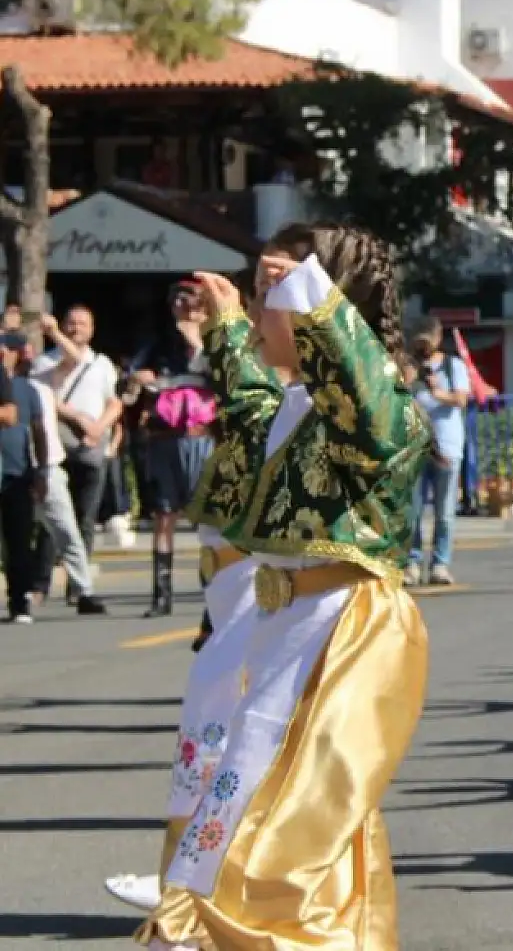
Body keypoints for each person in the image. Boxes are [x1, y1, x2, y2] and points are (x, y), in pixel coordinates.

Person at [139, 223, 431, 951]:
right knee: (252, 816)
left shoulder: (379, 404)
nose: (267, 302)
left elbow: (357, 391)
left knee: (276, 837)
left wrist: (305, 297)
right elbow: (251, 399)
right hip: (287, 626)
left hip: (346, 633)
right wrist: (233, 318)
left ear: (319, 312)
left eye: (279, 293)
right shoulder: (296, 409)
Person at [104, 295, 278, 915]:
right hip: (232, 616)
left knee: (249, 753)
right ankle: (190, 882)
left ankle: (213, 892)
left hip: (276, 625)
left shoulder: (290, 408)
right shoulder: (237, 434)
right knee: (210, 744)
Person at [129, 283, 216, 617]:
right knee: (163, 516)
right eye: (176, 299)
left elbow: (224, 375)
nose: (182, 304)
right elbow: (133, 379)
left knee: (208, 521)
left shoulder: (215, 339)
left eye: (189, 298)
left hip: (203, 439)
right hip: (165, 439)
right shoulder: (159, 343)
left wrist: (196, 340)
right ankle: (161, 594)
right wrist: (139, 379)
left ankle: (212, 593)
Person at [38, 307, 123, 586]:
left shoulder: (102, 363)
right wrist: (76, 418)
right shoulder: (46, 362)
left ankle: (79, 585)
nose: (76, 329)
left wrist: (98, 428)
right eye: (71, 323)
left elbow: (114, 402)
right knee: (54, 521)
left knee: (85, 519)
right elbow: (46, 398)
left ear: (93, 329)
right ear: (62, 326)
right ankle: (42, 583)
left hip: (92, 447)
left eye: (83, 324)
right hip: (57, 447)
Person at [27, 353, 106, 614]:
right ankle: (26, 592)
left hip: (48, 467)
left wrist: (55, 332)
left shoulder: (43, 381)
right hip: (15, 468)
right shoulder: (11, 385)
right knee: (18, 536)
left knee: (66, 532)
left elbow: (74, 358)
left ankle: (84, 591)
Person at [405, 317, 470, 587]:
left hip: (446, 446)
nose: (423, 346)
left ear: (437, 338)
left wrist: (437, 392)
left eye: (427, 340)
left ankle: (440, 565)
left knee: (444, 511)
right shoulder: (409, 367)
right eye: (418, 341)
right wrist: (407, 381)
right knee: (413, 511)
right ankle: (412, 563)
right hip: (416, 448)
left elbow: (461, 399)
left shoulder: (453, 366)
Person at [0, 332, 39, 624]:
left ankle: (20, 601)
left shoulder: (26, 388)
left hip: (16, 470)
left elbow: (18, 420)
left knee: (19, 541)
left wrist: (42, 471)